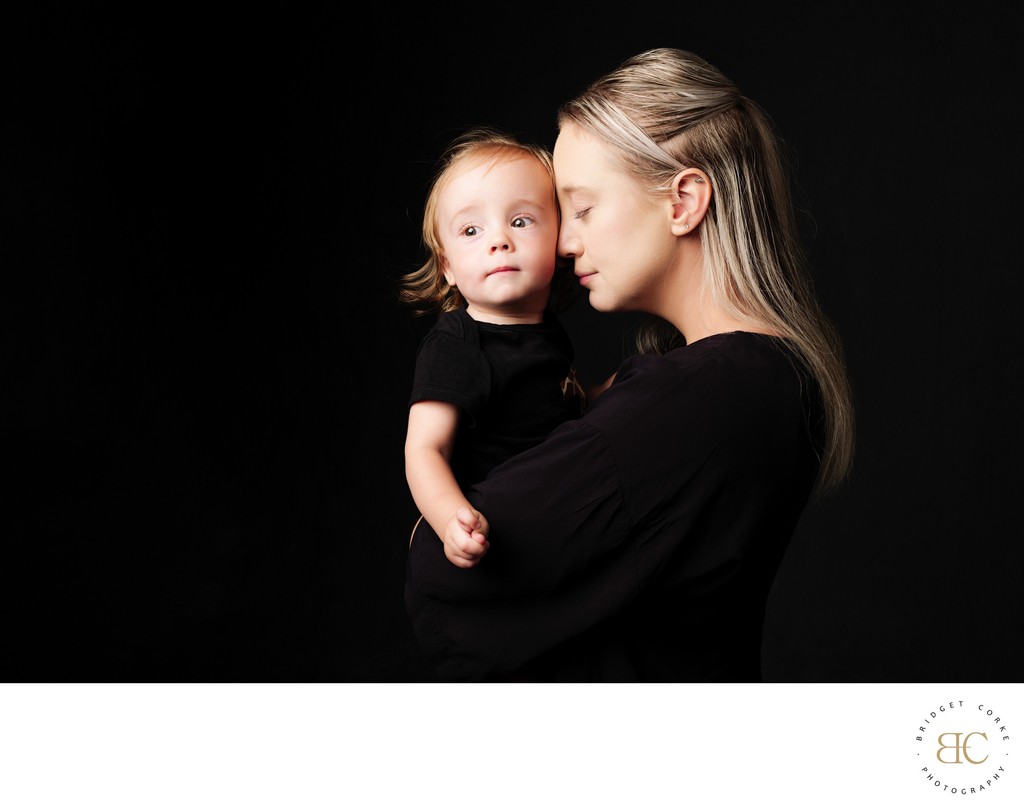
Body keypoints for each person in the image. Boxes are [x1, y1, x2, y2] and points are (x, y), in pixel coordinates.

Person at [404, 48, 856, 682]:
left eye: (582, 209)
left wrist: (440, 529)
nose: (562, 242)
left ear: (683, 202)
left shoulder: (702, 396)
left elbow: (441, 573)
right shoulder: (769, 378)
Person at [400, 127, 607, 570]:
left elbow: (553, 410)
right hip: (497, 535)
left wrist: (607, 393)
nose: (499, 240)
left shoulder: (548, 333)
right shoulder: (457, 345)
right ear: (447, 266)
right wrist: (450, 519)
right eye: (471, 230)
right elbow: (425, 449)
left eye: (520, 221)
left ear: (559, 238)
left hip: (557, 526)